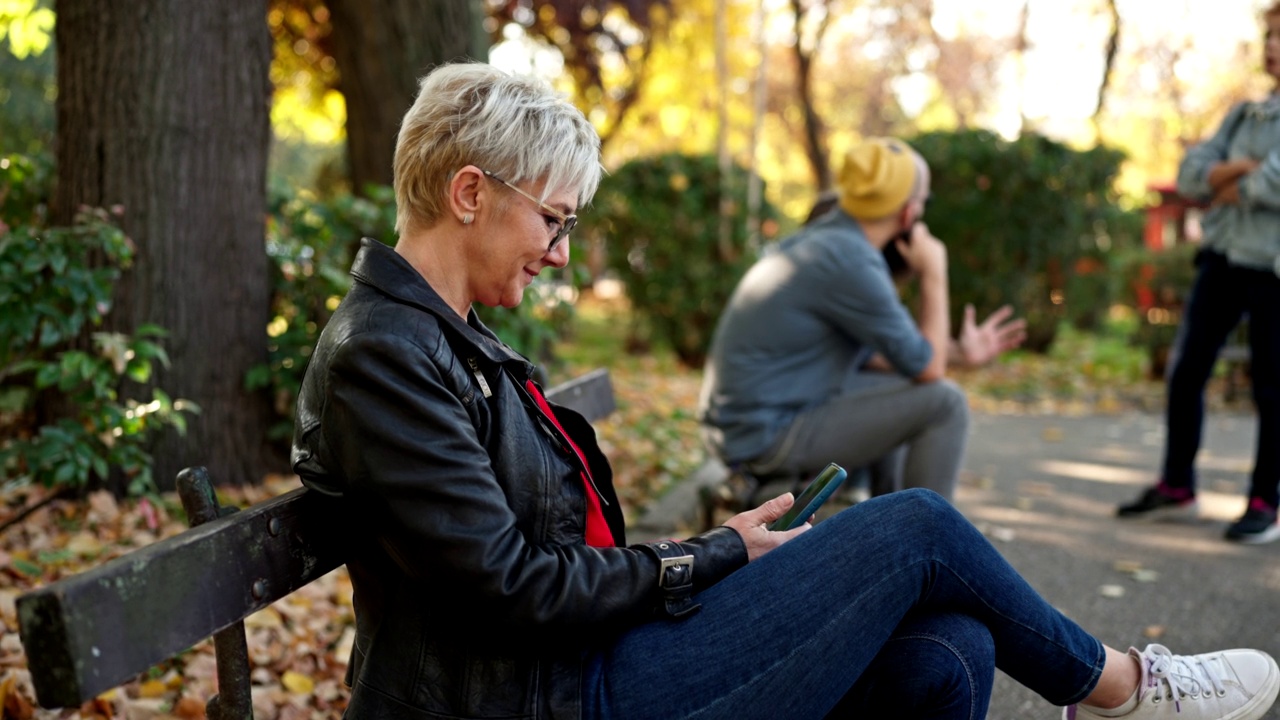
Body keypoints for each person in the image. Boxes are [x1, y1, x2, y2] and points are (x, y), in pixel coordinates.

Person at [290, 60, 1280, 720]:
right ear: (469, 193)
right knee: (919, 527)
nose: (559, 253)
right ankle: (1123, 688)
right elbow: (509, 592)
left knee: (950, 649)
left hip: (577, 665)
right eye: (552, 221)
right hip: (545, 695)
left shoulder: (450, 341)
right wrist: (706, 558)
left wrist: (716, 555)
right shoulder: (384, 355)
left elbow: (540, 561)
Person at [698, 137, 1026, 501]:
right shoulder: (851, 261)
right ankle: (928, 543)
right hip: (764, 437)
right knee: (944, 403)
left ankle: (893, 531)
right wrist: (934, 272)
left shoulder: (827, 244)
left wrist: (961, 353)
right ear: (908, 213)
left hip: (742, 428)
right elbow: (928, 369)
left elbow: (887, 357)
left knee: (902, 390)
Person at [1117, 2, 1280, 544]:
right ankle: (1177, 484)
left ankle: (1265, 501)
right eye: (1271, 36)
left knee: (1272, 386)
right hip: (1223, 258)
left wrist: (1232, 182)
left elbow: (1271, 185)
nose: (1273, 47)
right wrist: (1239, 174)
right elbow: (1192, 176)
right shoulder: (1244, 116)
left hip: (1273, 270)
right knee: (1186, 370)